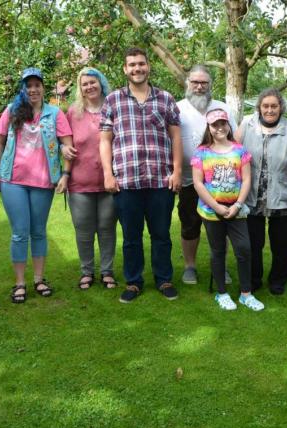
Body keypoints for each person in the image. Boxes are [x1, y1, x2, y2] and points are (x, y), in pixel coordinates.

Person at [99, 47, 183, 303]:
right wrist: (108, 174)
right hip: (127, 181)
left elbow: (176, 137)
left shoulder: (165, 99)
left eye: (141, 64)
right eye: (132, 65)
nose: (137, 68)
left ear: (148, 66)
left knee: (161, 235)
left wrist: (177, 170)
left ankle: (164, 279)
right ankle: (134, 282)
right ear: (125, 69)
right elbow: (105, 140)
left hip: (160, 180)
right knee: (131, 238)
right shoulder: (113, 100)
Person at [0, 67, 74, 303]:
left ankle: (39, 279)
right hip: (13, 180)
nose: (33, 90)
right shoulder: (12, 110)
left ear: (43, 88)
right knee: (20, 233)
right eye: (28, 86)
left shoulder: (55, 114)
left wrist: (65, 173)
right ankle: (19, 283)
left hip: (43, 181)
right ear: (23, 89)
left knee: (38, 231)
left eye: (37, 85)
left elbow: (67, 144)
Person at [191, 109, 264, 311]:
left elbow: (247, 179)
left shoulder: (240, 150)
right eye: (215, 125)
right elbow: (198, 183)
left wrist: (238, 204)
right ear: (209, 128)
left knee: (244, 249)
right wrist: (216, 207)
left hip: (236, 209)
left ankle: (246, 294)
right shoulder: (201, 152)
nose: (219, 128)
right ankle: (221, 293)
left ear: (228, 125)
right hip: (211, 210)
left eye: (223, 123)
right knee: (218, 251)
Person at [176, 65, 237, 285]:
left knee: (220, 226)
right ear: (188, 83)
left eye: (204, 83)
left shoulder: (222, 108)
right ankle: (190, 267)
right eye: (195, 82)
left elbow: (235, 139)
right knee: (190, 225)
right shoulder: (177, 109)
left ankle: (220, 266)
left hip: (220, 181)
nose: (199, 87)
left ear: (210, 84)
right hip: (188, 181)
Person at [235, 88, 287, 295]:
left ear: (281, 107)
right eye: (265, 106)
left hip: (283, 192)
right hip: (251, 194)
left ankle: (278, 280)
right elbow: (233, 153)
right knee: (252, 242)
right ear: (259, 107)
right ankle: (253, 279)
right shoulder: (247, 124)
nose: (269, 110)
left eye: (274, 106)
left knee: (283, 243)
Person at [64, 67, 118, 290]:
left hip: (110, 182)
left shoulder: (113, 108)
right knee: (84, 230)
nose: (89, 87)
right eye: (84, 84)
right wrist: (63, 148)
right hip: (80, 182)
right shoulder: (73, 113)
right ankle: (86, 272)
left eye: (92, 82)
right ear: (80, 88)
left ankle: (107, 271)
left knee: (107, 228)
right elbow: (64, 140)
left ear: (101, 83)